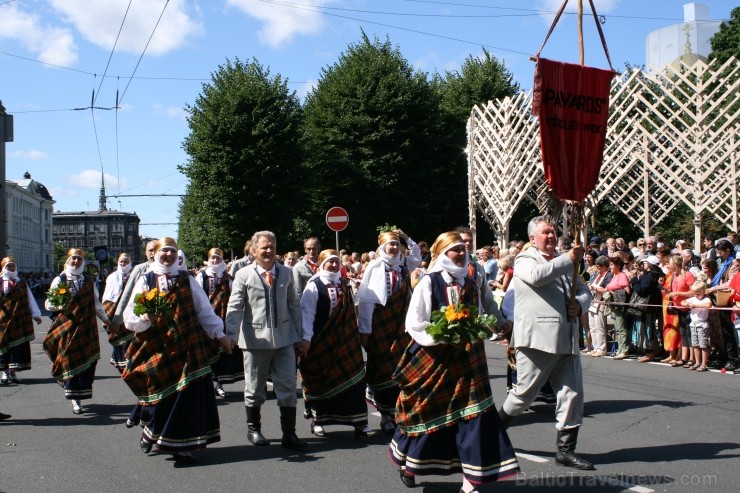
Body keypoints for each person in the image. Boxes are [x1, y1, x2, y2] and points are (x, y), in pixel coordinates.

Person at [390, 231, 520, 491]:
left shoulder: (473, 278)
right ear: (441, 253)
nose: (462, 254)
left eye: (463, 249)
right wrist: (442, 335)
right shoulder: (429, 282)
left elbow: (485, 308)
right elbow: (414, 323)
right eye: (455, 250)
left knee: (475, 413)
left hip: (469, 357)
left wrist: (498, 325)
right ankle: (409, 462)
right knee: (426, 413)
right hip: (435, 359)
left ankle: (470, 480)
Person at [122, 237, 232, 464]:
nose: (168, 255)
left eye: (172, 251)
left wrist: (220, 335)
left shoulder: (187, 279)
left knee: (187, 393)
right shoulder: (146, 279)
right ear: (156, 254)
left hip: (186, 345)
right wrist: (145, 317)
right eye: (165, 251)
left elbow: (204, 311)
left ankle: (182, 445)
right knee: (158, 393)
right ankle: (150, 430)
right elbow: (129, 317)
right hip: (156, 346)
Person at [498, 216, 594, 470]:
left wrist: (580, 304)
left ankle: (566, 450)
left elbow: (585, 290)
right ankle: (491, 435)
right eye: (545, 233)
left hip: (567, 338)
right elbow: (538, 277)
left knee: (572, 395)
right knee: (523, 395)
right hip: (538, 340)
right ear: (532, 238)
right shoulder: (525, 259)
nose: (551, 236)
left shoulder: (565, 260)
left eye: (552, 232)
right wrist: (570, 259)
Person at [225, 230, 305, 450]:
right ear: (253, 250)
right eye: (264, 247)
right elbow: (235, 307)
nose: (269, 251)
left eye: (272, 246)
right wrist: (231, 334)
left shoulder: (287, 273)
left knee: (288, 386)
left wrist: (300, 335)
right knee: (254, 387)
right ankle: (254, 430)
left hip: (285, 339)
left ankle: (289, 433)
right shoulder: (243, 274)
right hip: (254, 341)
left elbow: (294, 305)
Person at [298, 249, 373, 438]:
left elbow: (354, 309)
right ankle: (318, 421)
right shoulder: (314, 286)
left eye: (336, 262)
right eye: (329, 262)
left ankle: (360, 422)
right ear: (322, 264)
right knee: (319, 383)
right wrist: (305, 339)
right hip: (320, 342)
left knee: (355, 380)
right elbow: (307, 315)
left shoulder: (346, 284)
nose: (333, 265)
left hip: (346, 342)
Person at [357, 229, 421, 435]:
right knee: (382, 370)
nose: (394, 248)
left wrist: (405, 237)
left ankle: (398, 413)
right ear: (382, 248)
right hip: (381, 326)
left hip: (401, 327)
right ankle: (385, 416)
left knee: (400, 370)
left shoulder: (402, 266)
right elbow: (366, 301)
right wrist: (365, 330)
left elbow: (417, 256)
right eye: (390, 245)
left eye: (396, 244)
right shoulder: (376, 267)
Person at [44, 249, 111, 415]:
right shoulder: (60, 279)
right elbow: (48, 304)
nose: (76, 262)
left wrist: (108, 321)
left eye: (79, 259)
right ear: (67, 260)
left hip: (86, 328)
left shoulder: (88, 280)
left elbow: (96, 304)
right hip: (66, 328)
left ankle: (78, 396)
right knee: (68, 361)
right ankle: (74, 399)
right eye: (74, 259)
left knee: (87, 362)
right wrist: (61, 305)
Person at [196, 248, 241, 398]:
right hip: (204, 320)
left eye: (218, 258)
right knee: (205, 353)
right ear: (208, 260)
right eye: (212, 258)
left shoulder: (228, 278)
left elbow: (235, 298)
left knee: (221, 353)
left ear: (223, 260)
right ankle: (206, 384)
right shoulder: (201, 276)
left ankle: (218, 384)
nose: (215, 261)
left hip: (223, 319)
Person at [0, 257, 43, 385]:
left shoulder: (21, 283)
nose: (11, 269)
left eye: (13, 266)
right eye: (8, 266)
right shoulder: (0, 282)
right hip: (3, 319)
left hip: (20, 319)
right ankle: (5, 372)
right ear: (3, 267)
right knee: (4, 345)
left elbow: (29, 299)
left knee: (17, 347)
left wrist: (35, 314)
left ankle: (12, 372)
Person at [100, 253, 136, 374]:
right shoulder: (112, 277)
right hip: (114, 312)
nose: (123, 264)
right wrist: (105, 315)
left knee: (131, 340)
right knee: (118, 339)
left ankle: (130, 363)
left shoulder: (135, 275)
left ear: (130, 262)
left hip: (130, 311)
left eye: (125, 262)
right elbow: (106, 296)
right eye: (121, 262)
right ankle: (121, 363)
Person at [681, 280, 713, 372]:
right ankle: (697, 362)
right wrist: (686, 303)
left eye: (698, 294)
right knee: (695, 344)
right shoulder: (693, 298)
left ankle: (704, 363)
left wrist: (695, 305)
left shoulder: (706, 299)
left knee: (703, 345)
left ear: (703, 291)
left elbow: (708, 305)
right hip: (693, 324)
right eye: (694, 294)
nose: (696, 296)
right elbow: (683, 302)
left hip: (702, 325)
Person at [586, 256, 612, 357]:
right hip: (593, 301)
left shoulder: (608, 275)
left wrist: (595, 288)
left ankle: (602, 348)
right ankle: (596, 347)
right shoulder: (597, 274)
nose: (597, 269)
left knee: (599, 326)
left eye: (599, 267)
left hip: (601, 302)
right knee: (592, 326)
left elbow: (607, 290)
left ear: (605, 266)